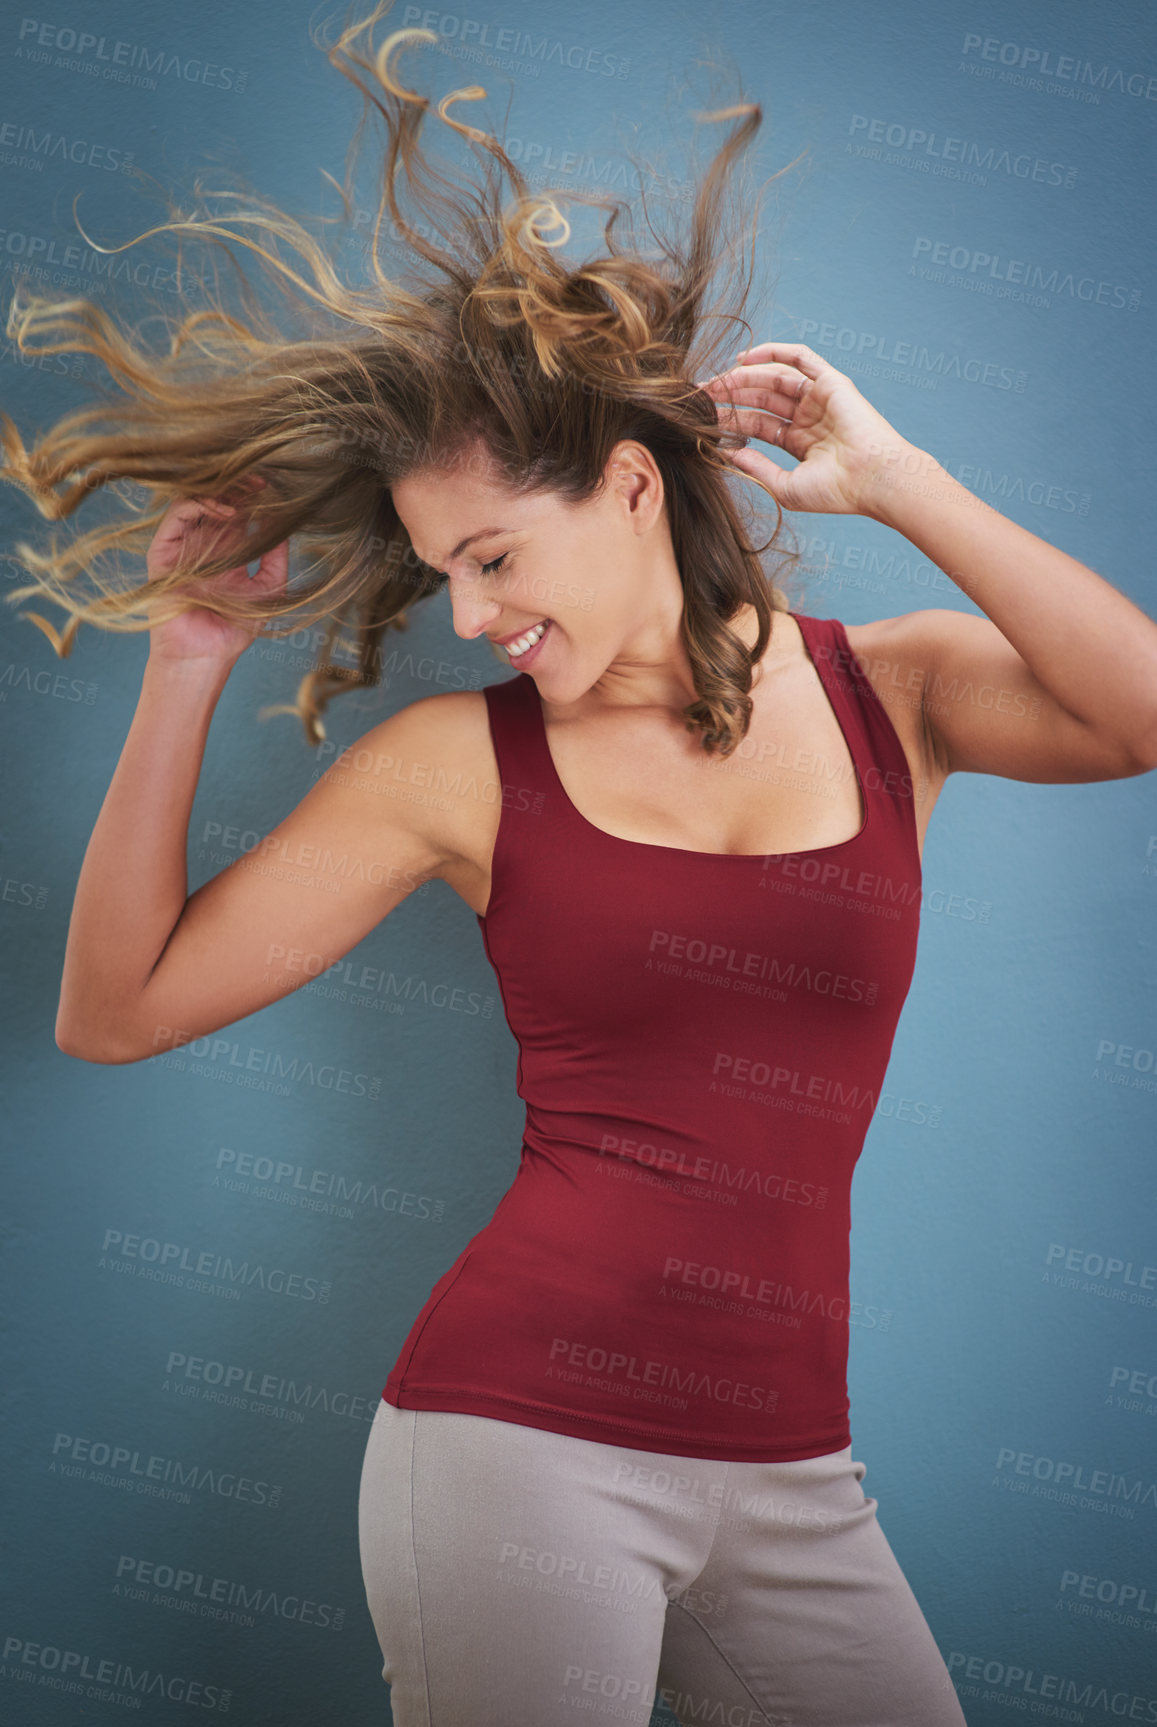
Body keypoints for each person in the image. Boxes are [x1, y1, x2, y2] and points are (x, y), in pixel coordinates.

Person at [12, 8, 1156, 1725]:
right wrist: (185, 667)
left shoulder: (889, 693)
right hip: (515, 1443)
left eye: (491, 557)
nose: (467, 616)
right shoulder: (454, 768)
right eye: (441, 573)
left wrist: (901, 481)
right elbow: (117, 1009)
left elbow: (1133, 712)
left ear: (630, 486)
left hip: (793, 1469)